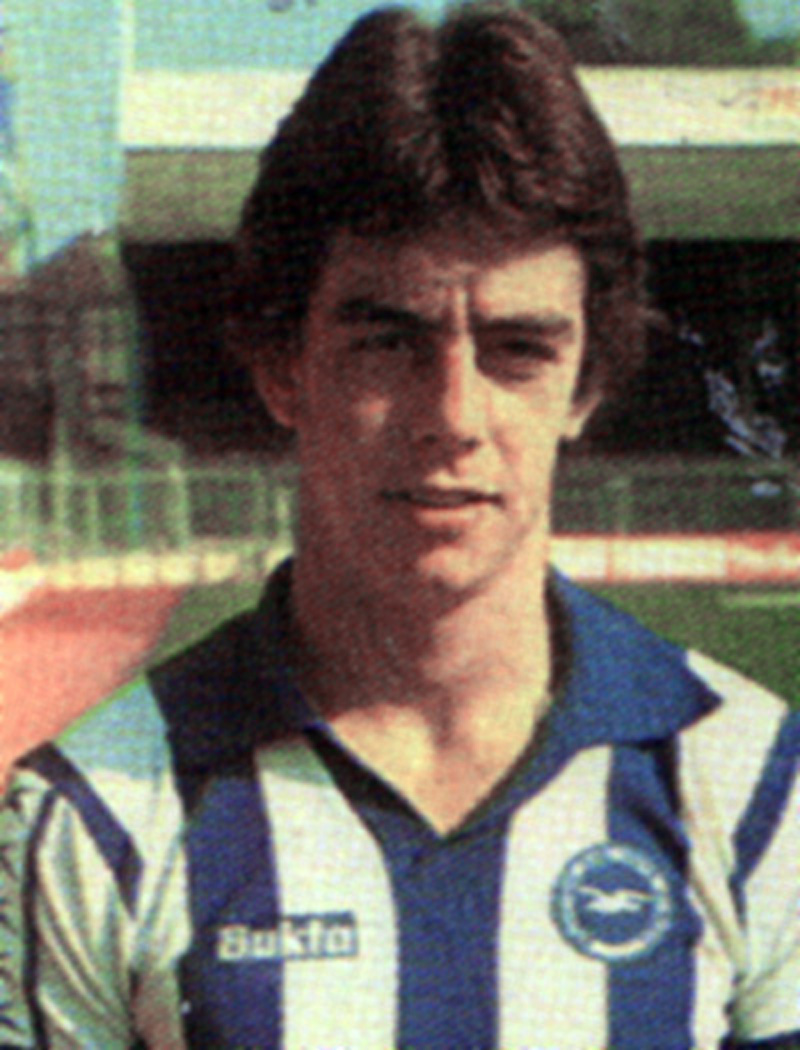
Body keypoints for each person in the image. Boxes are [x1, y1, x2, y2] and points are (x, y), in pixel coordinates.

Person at [2, 5, 799, 1047]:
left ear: (585, 385)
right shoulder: (93, 818)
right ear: (281, 363)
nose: (453, 415)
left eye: (517, 349)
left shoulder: (757, 792)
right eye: (389, 342)